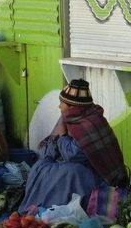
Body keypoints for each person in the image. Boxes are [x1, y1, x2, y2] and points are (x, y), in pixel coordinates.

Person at [18, 79, 128, 213]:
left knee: (67, 173)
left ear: (72, 107)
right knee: (41, 167)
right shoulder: (68, 117)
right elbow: (49, 149)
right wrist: (57, 142)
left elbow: (75, 156)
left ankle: (57, 211)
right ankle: (42, 209)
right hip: (74, 164)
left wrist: (63, 136)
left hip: (96, 173)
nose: (59, 106)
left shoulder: (91, 122)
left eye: (62, 103)